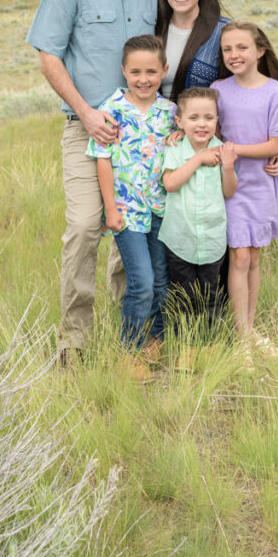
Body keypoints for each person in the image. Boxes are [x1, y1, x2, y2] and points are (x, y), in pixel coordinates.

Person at [107, 0, 278, 302]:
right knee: (153, 227)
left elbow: (250, 88)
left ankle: (211, 325)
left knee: (207, 227)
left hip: (207, 143)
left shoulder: (222, 31)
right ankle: (151, 320)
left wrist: (269, 148)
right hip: (159, 135)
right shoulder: (152, 26)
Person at [26, 0, 157, 363]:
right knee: (84, 228)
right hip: (89, 132)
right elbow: (48, 53)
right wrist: (85, 111)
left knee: (134, 235)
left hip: (145, 137)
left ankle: (132, 341)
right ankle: (74, 343)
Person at [86, 35, 176, 381]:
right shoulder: (110, 112)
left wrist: (179, 136)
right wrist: (111, 209)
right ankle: (129, 349)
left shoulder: (169, 113)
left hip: (160, 209)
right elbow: (103, 161)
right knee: (141, 281)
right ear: (124, 71)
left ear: (164, 71)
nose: (143, 79)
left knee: (161, 280)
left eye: (151, 71)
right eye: (135, 71)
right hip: (127, 213)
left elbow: (183, 144)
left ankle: (155, 338)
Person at [211, 21, 278, 365]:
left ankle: (251, 329)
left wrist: (235, 149)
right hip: (228, 182)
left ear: (260, 51)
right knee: (239, 256)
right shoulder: (217, 89)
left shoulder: (276, 93)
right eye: (228, 49)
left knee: (255, 257)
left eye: (242, 48)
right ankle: (241, 337)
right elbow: (205, 129)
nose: (234, 55)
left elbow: (273, 144)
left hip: (260, 182)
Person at [160, 87, 238, 370]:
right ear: (179, 122)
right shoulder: (175, 149)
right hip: (180, 239)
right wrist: (197, 160)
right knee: (183, 296)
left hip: (212, 239)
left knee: (211, 295)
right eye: (194, 117)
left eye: (208, 117)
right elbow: (170, 183)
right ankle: (187, 348)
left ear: (217, 120)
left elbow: (229, 192)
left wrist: (227, 167)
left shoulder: (221, 150)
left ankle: (212, 345)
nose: (202, 123)